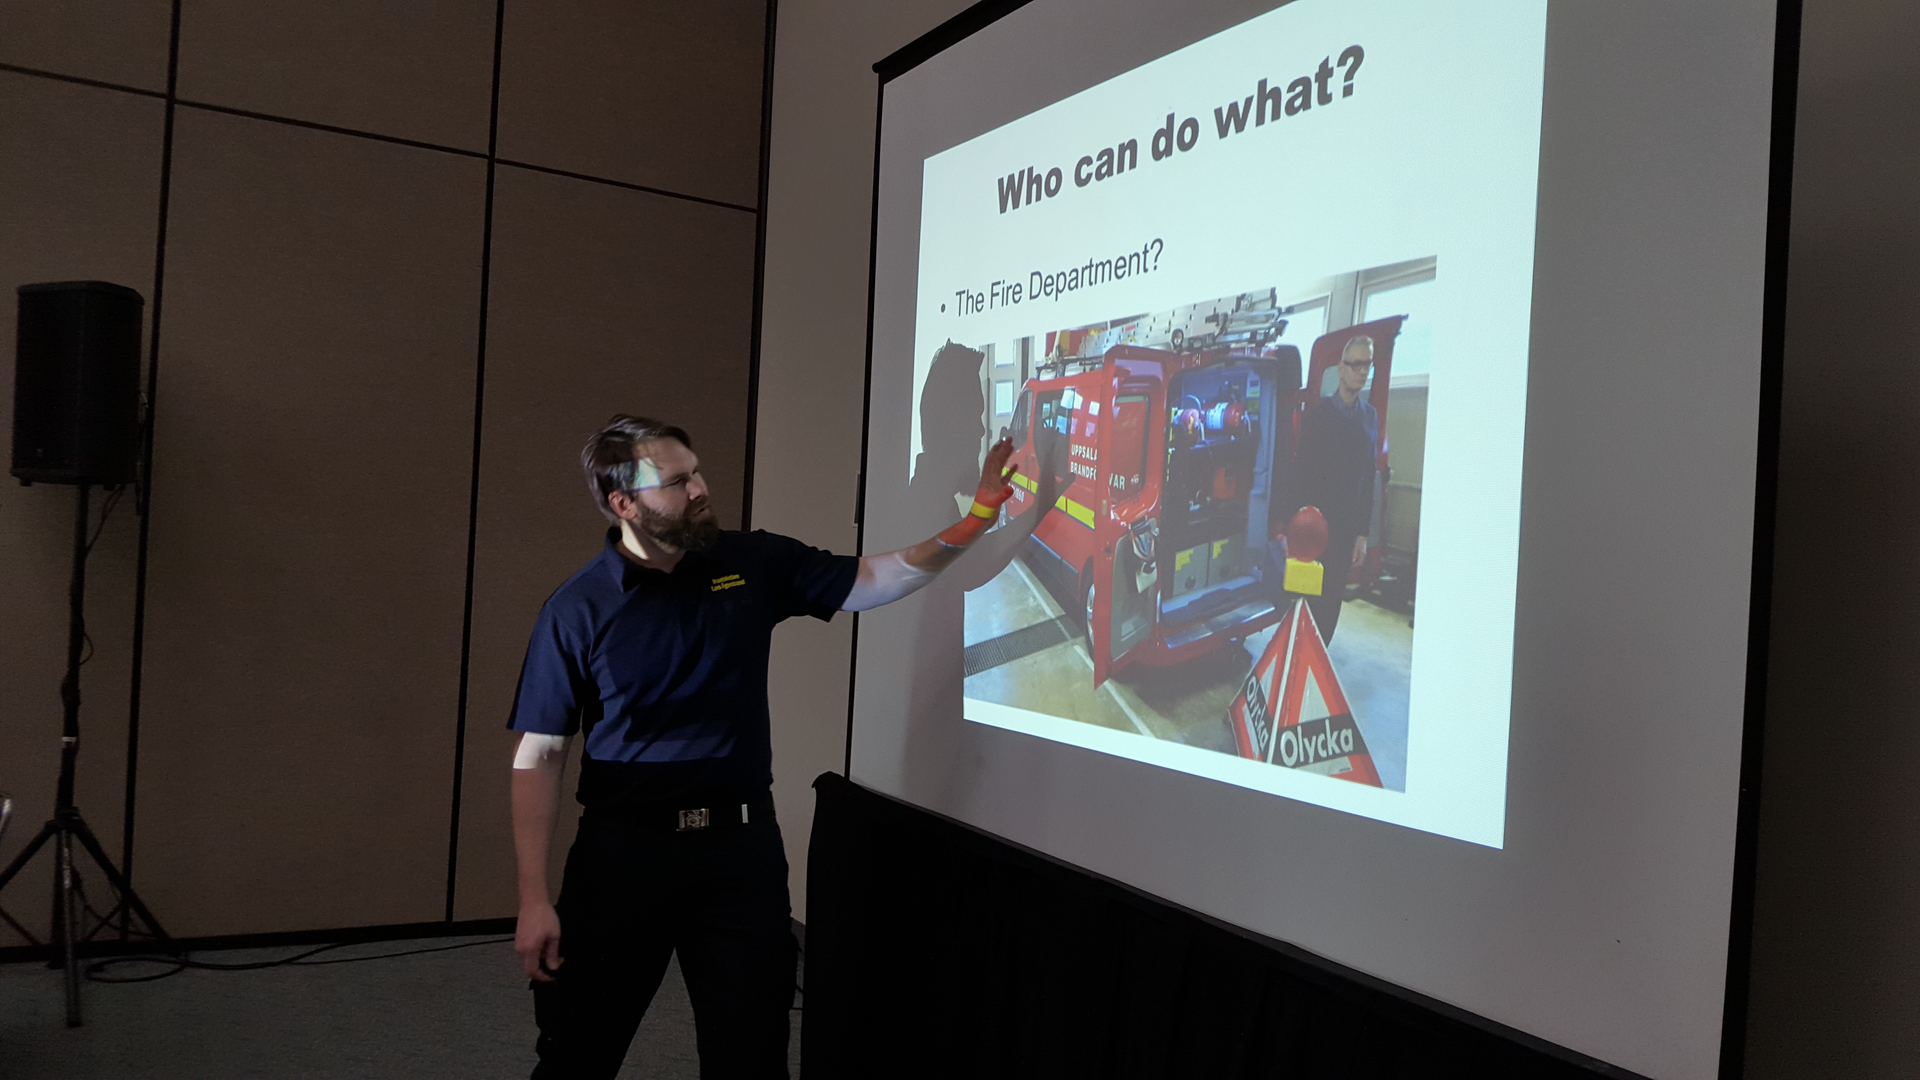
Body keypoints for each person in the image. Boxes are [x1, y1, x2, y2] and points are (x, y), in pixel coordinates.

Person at [509, 414, 1019, 1079]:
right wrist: (532, 895)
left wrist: (973, 522)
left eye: (696, 473)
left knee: (751, 1055)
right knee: (579, 1050)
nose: (699, 490)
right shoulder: (577, 610)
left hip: (739, 857)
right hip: (623, 858)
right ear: (623, 502)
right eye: (676, 482)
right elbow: (539, 754)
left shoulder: (751, 562)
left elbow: (875, 579)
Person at [1292, 334, 1381, 643]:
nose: (1361, 371)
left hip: (1345, 533)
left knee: (1331, 605)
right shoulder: (1317, 418)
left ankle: (1318, 661)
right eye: (1355, 364)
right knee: (1305, 604)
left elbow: (1368, 478)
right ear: (1341, 369)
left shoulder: (1369, 418)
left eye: (1366, 364)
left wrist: (1362, 535)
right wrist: (1297, 532)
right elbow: (1300, 477)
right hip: (1313, 530)